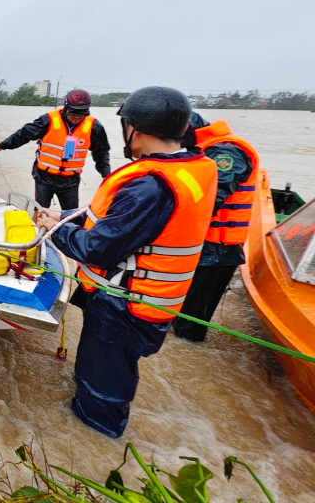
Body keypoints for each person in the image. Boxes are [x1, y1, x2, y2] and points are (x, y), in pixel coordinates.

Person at [35, 87, 217, 438]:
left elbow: (96, 249)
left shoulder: (148, 186)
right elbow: (116, 221)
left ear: (136, 129)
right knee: (112, 372)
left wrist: (53, 229)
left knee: (101, 388)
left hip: (123, 308)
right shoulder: (191, 168)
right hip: (150, 301)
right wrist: (65, 215)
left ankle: (95, 440)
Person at [173, 112, 259, 341]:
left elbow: (212, 197)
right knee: (179, 310)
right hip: (203, 244)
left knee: (191, 322)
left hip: (218, 250)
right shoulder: (203, 150)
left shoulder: (228, 151)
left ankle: (188, 356)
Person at [0, 89, 110, 209]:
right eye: (73, 113)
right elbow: (25, 134)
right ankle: (38, 226)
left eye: (82, 114)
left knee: (71, 215)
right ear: (66, 108)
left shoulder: (94, 126)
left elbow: (101, 152)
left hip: (70, 181)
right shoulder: (49, 119)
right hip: (44, 177)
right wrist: (2, 145)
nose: (77, 117)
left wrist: (106, 175)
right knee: (41, 211)